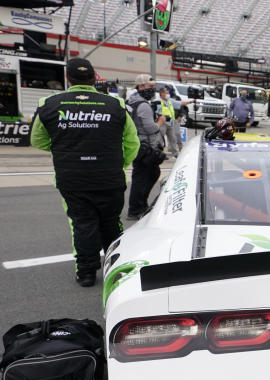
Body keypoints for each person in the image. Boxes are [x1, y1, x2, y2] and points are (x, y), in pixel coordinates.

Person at [29, 58, 139, 286]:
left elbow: (37, 139)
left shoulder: (49, 103)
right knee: (111, 222)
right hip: (109, 177)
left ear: (68, 79)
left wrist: (65, 148)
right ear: (93, 78)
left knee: (83, 224)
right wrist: (119, 164)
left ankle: (87, 273)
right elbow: (132, 144)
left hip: (73, 178)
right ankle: (117, 269)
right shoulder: (116, 105)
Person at [127, 74, 165, 220]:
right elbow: (150, 128)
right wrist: (160, 122)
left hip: (137, 144)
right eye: (150, 87)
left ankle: (140, 205)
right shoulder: (142, 104)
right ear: (141, 86)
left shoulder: (131, 101)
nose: (153, 90)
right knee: (143, 176)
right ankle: (136, 209)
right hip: (146, 146)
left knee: (149, 174)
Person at [157, 85, 180, 158]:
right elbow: (156, 112)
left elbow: (180, 103)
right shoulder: (158, 101)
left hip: (170, 123)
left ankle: (175, 153)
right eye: (166, 93)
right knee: (160, 139)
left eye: (168, 93)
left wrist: (191, 101)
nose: (168, 94)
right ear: (161, 94)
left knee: (172, 138)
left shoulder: (170, 101)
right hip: (162, 123)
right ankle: (160, 154)